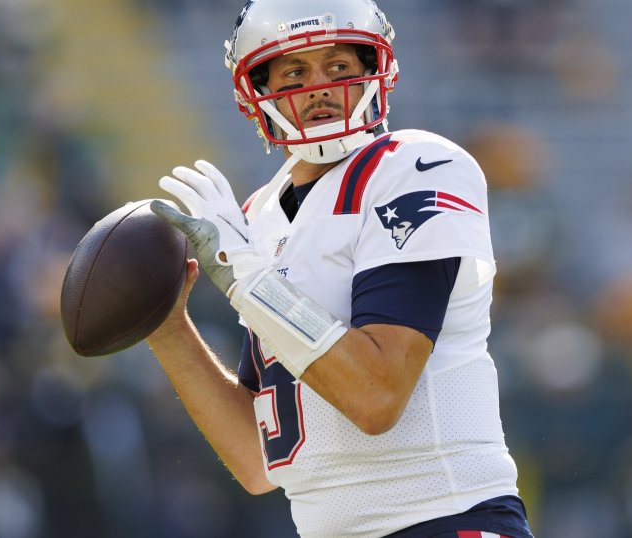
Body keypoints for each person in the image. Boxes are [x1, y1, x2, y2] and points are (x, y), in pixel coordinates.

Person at [147, 0, 535, 536]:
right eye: (295, 71)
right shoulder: (256, 218)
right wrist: (168, 331)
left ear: (375, 71)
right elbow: (259, 463)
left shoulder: (414, 167)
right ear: (255, 91)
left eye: (339, 67)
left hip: (445, 518)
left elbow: (376, 397)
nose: (320, 87)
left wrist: (246, 277)